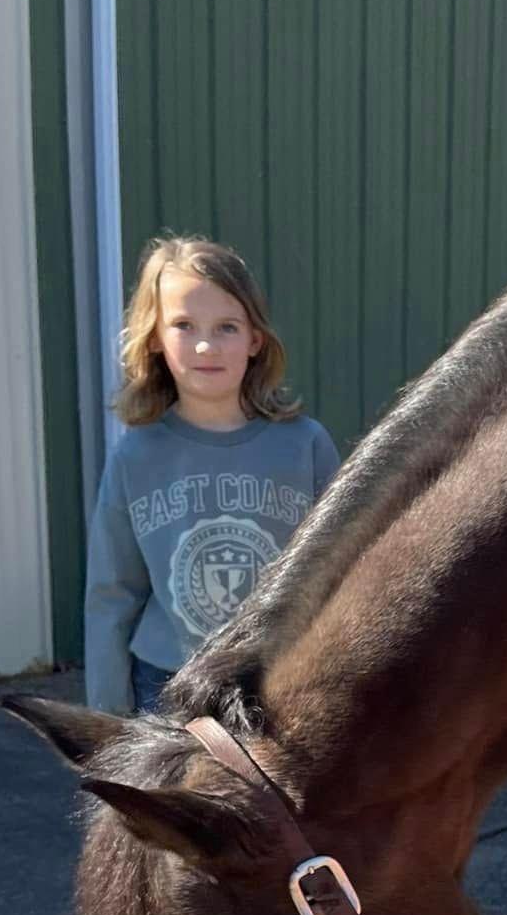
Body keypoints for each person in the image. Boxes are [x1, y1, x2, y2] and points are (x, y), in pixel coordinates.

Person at [84, 237, 339, 713]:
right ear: (155, 338)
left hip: (281, 679)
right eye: (184, 325)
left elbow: (343, 570)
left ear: (255, 340)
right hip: (167, 683)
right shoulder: (135, 457)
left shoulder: (305, 446)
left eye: (227, 326)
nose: (206, 345)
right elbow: (112, 593)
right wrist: (106, 718)